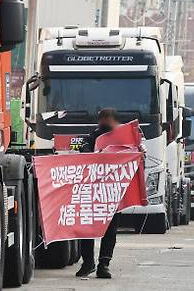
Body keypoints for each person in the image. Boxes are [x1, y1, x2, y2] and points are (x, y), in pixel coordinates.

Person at [76, 108, 120, 279]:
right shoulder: (92, 137)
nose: (105, 123)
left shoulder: (124, 140)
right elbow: (83, 149)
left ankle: (104, 264)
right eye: (102, 119)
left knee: (110, 231)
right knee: (87, 229)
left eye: (108, 120)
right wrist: (89, 151)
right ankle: (88, 263)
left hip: (113, 192)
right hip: (92, 192)